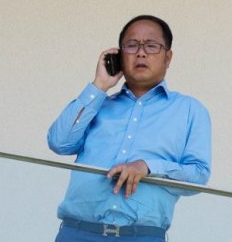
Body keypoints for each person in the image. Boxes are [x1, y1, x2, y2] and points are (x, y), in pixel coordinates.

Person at [48, 15, 212, 241]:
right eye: (132, 45)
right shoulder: (99, 104)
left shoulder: (189, 110)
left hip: (141, 236)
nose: (141, 53)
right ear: (120, 55)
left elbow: (198, 176)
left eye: (151, 46)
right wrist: (99, 85)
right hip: (78, 233)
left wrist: (148, 167)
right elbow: (59, 142)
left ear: (168, 57)